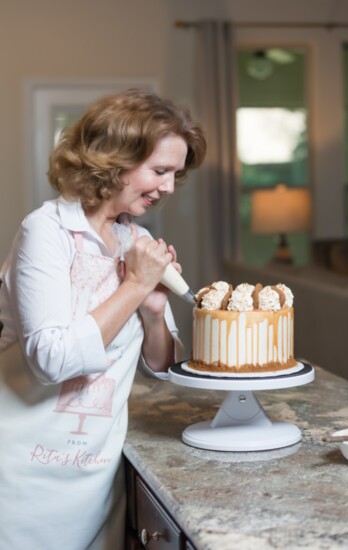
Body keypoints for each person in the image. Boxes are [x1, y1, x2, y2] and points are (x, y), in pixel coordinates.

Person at [0, 88, 206, 549]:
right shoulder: (46, 231)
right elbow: (49, 360)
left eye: (175, 174)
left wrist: (152, 311)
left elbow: (164, 367)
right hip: (20, 474)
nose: (169, 187)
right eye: (160, 171)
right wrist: (134, 286)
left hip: (95, 474)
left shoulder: (135, 239)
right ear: (113, 160)